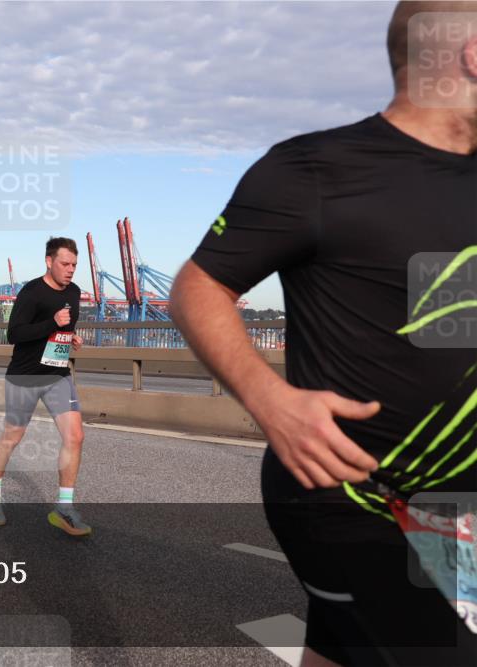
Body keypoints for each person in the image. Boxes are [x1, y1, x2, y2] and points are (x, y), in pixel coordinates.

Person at [169, 4, 476, 665]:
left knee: (339, 647)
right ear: (472, 53)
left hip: (454, 504)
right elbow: (198, 286)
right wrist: (271, 400)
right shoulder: (319, 170)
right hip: (350, 494)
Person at [0, 237, 89, 537]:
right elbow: (13, 333)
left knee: (76, 436)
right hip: (25, 375)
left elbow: (64, 328)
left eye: (74, 265)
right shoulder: (32, 292)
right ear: (49, 261)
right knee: (12, 436)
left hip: (57, 375)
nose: (70, 270)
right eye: (65, 264)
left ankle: (64, 509)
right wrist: (52, 323)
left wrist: (72, 336)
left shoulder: (75, 292)